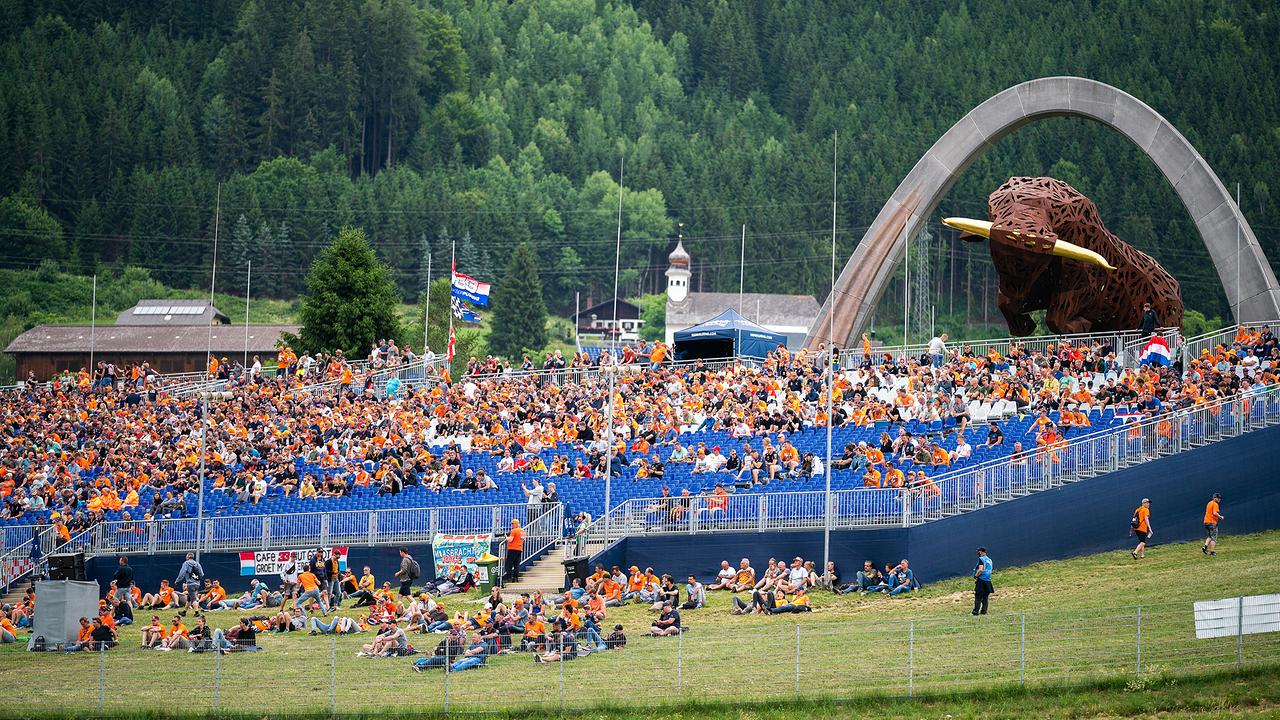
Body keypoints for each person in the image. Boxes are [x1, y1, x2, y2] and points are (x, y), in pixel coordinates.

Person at [972, 547, 994, 616]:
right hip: (988, 580)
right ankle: (984, 611)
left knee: (978, 596)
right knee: (985, 596)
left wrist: (976, 576)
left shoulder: (981, 559)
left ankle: (976, 611)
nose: (978, 553)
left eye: (978, 552)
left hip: (981, 580)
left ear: (981, 552)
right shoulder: (989, 560)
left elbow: (980, 569)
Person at [504, 519, 525, 583]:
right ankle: (515, 578)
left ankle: (509, 577)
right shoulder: (522, 531)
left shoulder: (514, 530)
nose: (512, 525)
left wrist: (506, 537)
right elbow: (523, 540)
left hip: (513, 549)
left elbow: (510, 540)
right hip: (519, 549)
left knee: (508, 564)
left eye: (512, 524)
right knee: (516, 564)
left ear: (516, 524)